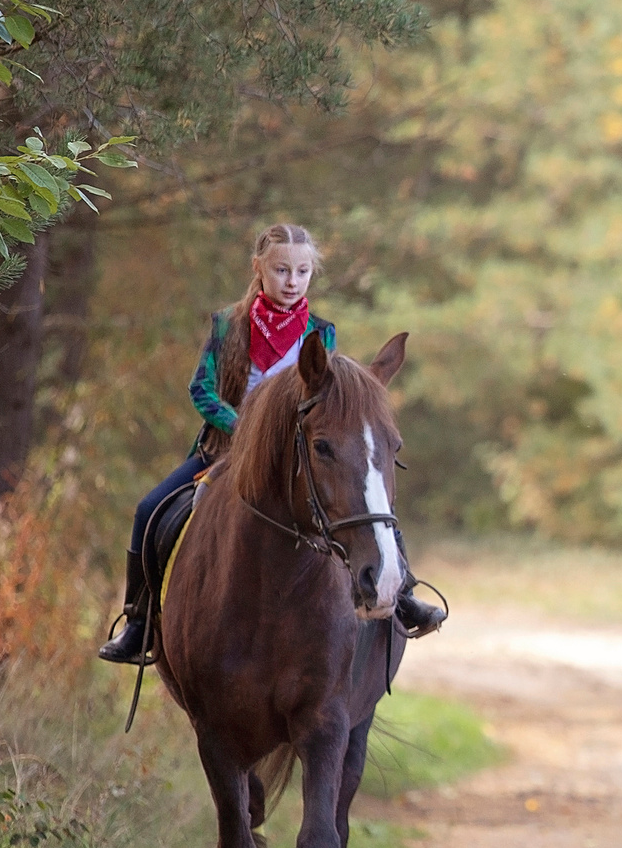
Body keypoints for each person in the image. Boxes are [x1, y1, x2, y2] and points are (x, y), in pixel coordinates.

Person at [98, 223, 444, 664]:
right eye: (282, 270)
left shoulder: (322, 333)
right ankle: (140, 622)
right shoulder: (227, 326)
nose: (292, 281)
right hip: (225, 450)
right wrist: (242, 426)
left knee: (366, 501)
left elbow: (327, 394)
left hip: (294, 459)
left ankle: (403, 595)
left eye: (302, 272)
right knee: (150, 509)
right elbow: (200, 389)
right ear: (258, 268)